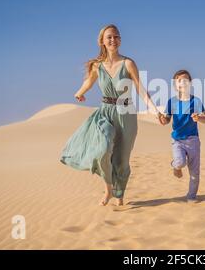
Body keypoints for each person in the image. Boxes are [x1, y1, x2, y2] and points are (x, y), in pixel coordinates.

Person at [60, 24, 162, 206]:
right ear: (102, 41)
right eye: (109, 37)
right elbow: (88, 83)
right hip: (105, 112)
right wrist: (79, 92)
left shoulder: (128, 63)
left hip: (126, 113)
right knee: (103, 150)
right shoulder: (97, 66)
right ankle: (108, 189)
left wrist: (154, 110)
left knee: (121, 159)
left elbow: (140, 89)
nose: (113, 40)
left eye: (116, 36)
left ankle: (119, 193)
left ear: (120, 40)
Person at [159, 69, 205, 202]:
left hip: (193, 140)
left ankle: (191, 196)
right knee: (180, 162)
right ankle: (175, 166)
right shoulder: (171, 102)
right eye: (180, 80)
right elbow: (167, 119)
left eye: (186, 80)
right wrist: (163, 120)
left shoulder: (196, 101)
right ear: (175, 84)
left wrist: (199, 117)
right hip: (177, 140)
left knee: (194, 173)